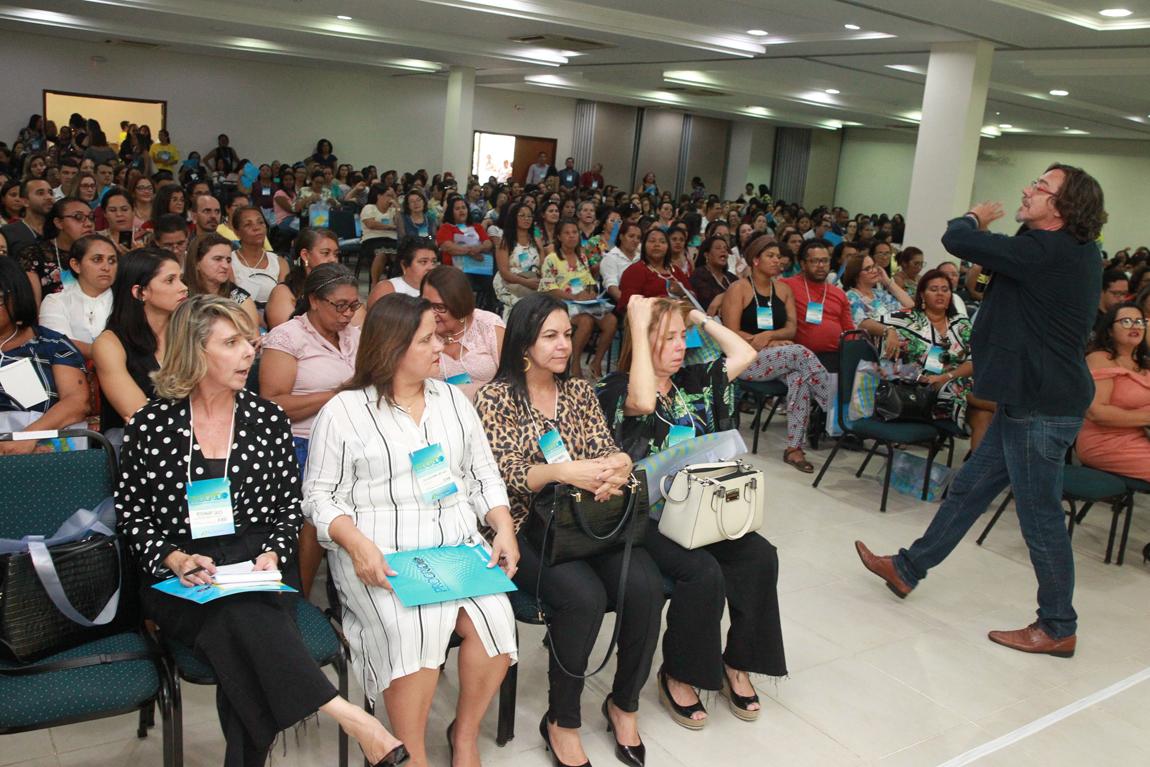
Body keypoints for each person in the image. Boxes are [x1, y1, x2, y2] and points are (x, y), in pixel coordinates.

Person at [115, 294, 406, 767]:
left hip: (257, 563)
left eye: (249, 340)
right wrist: (175, 558)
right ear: (195, 351)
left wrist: (273, 553)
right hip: (179, 571)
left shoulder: (267, 419)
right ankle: (351, 716)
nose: (250, 351)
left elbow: (290, 507)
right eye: (231, 343)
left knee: (238, 625)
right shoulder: (151, 424)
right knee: (237, 620)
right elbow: (132, 516)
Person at [856, 163, 1107, 658]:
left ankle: (1058, 625)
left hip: (1041, 404)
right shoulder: (1056, 248)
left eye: (1041, 186)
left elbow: (957, 239)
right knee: (969, 488)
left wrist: (975, 217)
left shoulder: (1051, 251)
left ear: (1063, 206)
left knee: (1039, 517)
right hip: (1027, 400)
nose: (1028, 189)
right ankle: (907, 569)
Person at [303, 293, 519, 767]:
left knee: (497, 625)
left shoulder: (452, 401)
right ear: (392, 347)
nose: (440, 346)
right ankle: (410, 751)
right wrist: (357, 545)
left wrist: (502, 526)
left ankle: (464, 736)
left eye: (437, 336)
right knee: (411, 630)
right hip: (382, 553)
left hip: (453, 547)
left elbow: (482, 473)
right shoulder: (345, 411)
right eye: (427, 340)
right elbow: (319, 498)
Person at [474, 292, 663, 767]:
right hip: (524, 525)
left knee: (645, 585)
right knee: (584, 598)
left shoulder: (578, 391)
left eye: (566, 335)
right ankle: (562, 720)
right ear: (523, 344)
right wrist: (563, 472)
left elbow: (605, 445)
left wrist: (618, 466)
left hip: (588, 517)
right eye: (550, 336)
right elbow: (506, 472)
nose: (564, 345)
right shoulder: (496, 397)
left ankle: (624, 704)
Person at [597, 296, 784, 730]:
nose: (681, 346)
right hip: (645, 516)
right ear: (643, 342)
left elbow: (746, 354)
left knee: (760, 556)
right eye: (669, 338)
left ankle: (736, 662)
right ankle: (678, 674)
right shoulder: (616, 388)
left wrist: (696, 315)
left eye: (683, 337)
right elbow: (643, 402)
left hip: (700, 509)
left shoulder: (693, 383)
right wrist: (638, 322)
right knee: (702, 572)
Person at [261, 263, 361, 597]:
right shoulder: (288, 337)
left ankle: (349, 595)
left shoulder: (354, 335)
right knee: (313, 518)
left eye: (353, 305)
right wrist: (336, 395)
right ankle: (299, 599)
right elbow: (272, 405)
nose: (348, 314)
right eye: (340, 305)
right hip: (303, 442)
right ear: (315, 300)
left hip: (353, 440)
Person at [721, 237, 833, 472]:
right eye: (770, 256)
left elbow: (791, 328)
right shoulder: (738, 288)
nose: (777, 260)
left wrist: (770, 336)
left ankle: (794, 448)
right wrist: (765, 342)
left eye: (778, 256)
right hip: (745, 359)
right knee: (799, 352)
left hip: (777, 356)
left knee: (799, 379)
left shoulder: (783, 289)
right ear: (755, 260)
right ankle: (830, 404)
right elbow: (730, 333)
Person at [882, 269, 992, 449]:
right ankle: (1019, 412)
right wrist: (889, 330)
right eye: (934, 289)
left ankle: (977, 468)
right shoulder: (909, 318)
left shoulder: (960, 323)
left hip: (955, 383)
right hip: (921, 390)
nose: (940, 293)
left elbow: (975, 360)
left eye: (945, 289)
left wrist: (947, 376)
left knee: (983, 417)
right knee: (999, 405)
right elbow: (865, 323)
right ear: (922, 294)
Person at [92, 248, 187, 445]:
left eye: (181, 279)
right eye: (170, 280)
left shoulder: (188, 331)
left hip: (196, 434)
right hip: (137, 442)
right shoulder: (109, 344)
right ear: (140, 292)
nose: (183, 287)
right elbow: (140, 415)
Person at [0, 257, 89, 451]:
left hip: (41, 447)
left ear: (17, 296)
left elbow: (77, 403)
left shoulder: (52, 344)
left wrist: (28, 437)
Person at [1076, 302, 1150, 481]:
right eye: (1126, 321)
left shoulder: (1143, 364)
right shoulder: (1100, 358)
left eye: (1139, 322)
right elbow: (1095, 412)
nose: (1134, 326)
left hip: (1139, 437)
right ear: (1110, 330)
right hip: (1104, 442)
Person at [538, 219, 617, 378]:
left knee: (611, 321)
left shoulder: (582, 256)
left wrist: (591, 292)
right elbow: (549, 288)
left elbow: (589, 281)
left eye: (574, 232)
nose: (572, 236)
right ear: (559, 237)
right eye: (567, 233)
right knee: (586, 321)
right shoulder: (551, 259)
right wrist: (574, 296)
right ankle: (574, 365)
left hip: (585, 302)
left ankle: (596, 363)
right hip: (562, 302)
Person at [421, 265, 504, 401]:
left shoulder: (488, 325)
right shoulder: (419, 331)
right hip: (439, 409)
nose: (431, 313)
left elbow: (513, 378)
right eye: (426, 304)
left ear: (458, 303)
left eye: (439, 307)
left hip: (490, 408)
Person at [781, 239, 854, 373]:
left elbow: (849, 330)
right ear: (803, 264)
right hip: (802, 357)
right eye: (815, 261)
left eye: (825, 261)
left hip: (836, 356)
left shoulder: (839, 294)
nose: (821, 266)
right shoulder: (787, 285)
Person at [38, 234, 117, 359]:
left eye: (112, 261)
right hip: (70, 368)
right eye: (97, 259)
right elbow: (59, 345)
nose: (106, 267)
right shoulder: (55, 302)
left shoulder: (127, 300)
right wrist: (108, 354)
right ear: (76, 265)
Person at [266, 228, 344, 329]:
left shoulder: (343, 289)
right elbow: (284, 334)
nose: (333, 260)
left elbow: (360, 330)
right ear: (305, 255)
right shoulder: (283, 292)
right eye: (325, 253)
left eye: (336, 254)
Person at [183, 234, 261, 329]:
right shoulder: (180, 294)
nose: (225, 266)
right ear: (196, 263)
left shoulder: (239, 298)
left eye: (228, 260)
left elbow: (252, 336)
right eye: (218, 259)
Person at [841, 252, 914, 347]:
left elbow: (910, 305)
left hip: (898, 344)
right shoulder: (850, 297)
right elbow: (862, 323)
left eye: (874, 266)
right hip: (869, 349)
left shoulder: (880, 294)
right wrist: (888, 330)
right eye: (868, 269)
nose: (874, 271)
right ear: (856, 275)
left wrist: (887, 282)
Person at [618, 227, 692, 314]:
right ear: (644, 246)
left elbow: (693, 298)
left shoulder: (676, 271)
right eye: (652, 241)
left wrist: (682, 292)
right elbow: (628, 304)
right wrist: (662, 302)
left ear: (668, 247)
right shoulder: (634, 271)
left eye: (662, 242)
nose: (657, 244)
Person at [230, 206, 287, 307]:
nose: (256, 228)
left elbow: (284, 299)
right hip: (240, 312)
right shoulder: (229, 261)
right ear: (237, 232)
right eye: (248, 224)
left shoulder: (280, 262)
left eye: (260, 222)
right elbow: (232, 298)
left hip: (274, 313)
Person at [493, 202, 541, 315]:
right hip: (511, 284)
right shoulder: (505, 242)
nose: (526, 219)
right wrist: (526, 282)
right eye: (522, 215)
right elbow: (504, 273)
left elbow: (542, 267)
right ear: (514, 218)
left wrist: (542, 249)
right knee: (525, 307)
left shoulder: (535, 240)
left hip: (533, 282)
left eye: (529, 216)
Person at [368, 235, 437, 307]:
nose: (431, 267)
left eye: (434, 262)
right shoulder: (386, 290)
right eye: (423, 262)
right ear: (404, 265)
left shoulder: (440, 288)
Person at [362, 184, 400, 286]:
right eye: (388, 195)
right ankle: (374, 284)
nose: (391, 199)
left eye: (392, 196)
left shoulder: (393, 210)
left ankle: (395, 284)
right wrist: (391, 227)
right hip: (373, 239)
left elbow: (400, 224)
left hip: (392, 239)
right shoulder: (369, 207)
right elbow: (371, 224)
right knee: (381, 253)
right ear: (379, 196)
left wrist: (397, 207)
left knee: (400, 255)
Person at [689, 236, 735, 315]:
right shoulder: (699, 275)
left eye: (725, 248)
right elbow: (707, 303)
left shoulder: (731, 277)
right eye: (718, 248)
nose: (723, 250)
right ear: (706, 255)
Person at [600, 221, 642, 304]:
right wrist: (629, 305)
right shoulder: (610, 258)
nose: (635, 240)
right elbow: (612, 287)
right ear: (621, 237)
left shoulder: (642, 258)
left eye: (638, 237)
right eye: (631, 236)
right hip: (620, 303)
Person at [1095, 269, 1130, 338]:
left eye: (1124, 294)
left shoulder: (1124, 317)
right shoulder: (1091, 319)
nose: (1122, 299)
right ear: (1101, 292)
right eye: (1116, 293)